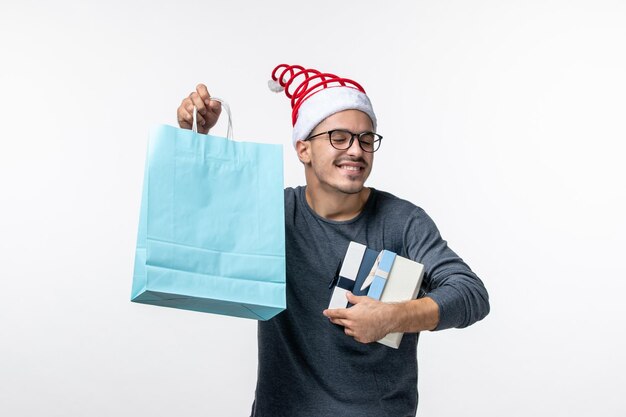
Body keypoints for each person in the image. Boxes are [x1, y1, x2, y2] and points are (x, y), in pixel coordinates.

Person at [176, 64, 490, 417]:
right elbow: (201, 227)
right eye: (338, 137)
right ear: (304, 149)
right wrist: (195, 138)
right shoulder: (273, 213)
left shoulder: (403, 221)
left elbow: (471, 294)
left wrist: (395, 316)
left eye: (366, 138)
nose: (355, 150)